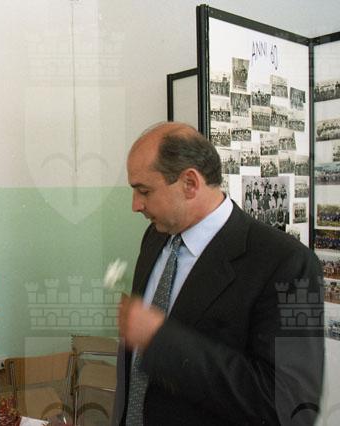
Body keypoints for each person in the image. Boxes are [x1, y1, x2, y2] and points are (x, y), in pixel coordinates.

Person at [112, 122, 323, 426]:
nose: (136, 205)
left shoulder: (289, 264)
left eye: (144, 191)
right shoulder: (155, 237)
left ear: (190, 183)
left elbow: (290, 404)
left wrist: (162, 341)